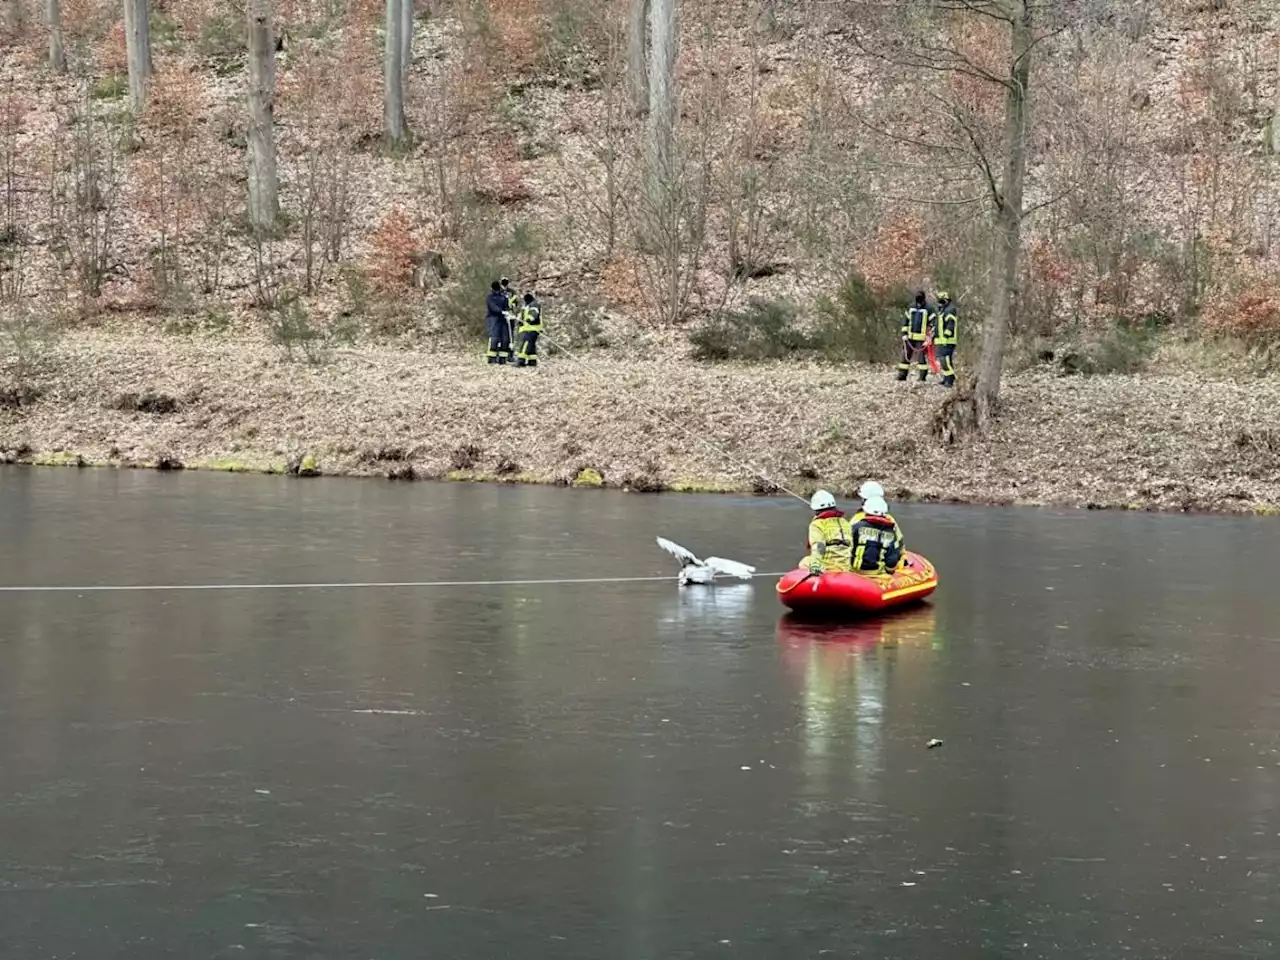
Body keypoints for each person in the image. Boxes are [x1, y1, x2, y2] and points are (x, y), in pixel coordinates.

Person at [851, 495, 904, 575]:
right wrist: (890, 571)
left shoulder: (856, 527)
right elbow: (892, 559)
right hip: (877, 574)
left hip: (854, 571)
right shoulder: (890, 533)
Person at [803, 490, 853, 574]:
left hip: (828, 566)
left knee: (803, 562)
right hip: (845, 566)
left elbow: (818, 546)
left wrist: (815, 565)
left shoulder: (817, 524)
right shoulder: (845, 522)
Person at [897, 290, 931, 382]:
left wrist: (929, 337)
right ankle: (902, 374)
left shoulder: (929, 308)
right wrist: (904, 334)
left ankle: (922, 376)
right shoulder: (911, 307)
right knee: (905, 356)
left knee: (921, 358)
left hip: (922, 338)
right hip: (910, 337)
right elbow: (906, 321)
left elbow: (933, 323)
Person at [931, 291, 958, 388]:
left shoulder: (950, 310)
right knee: (944, 361)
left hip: (947, 341)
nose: (940, 303)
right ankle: (947, 378)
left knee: (945, 360)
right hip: (940, 340)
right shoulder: (941, 311)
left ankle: (950, 380)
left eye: (942, 301)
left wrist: (946, 336)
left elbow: (950, 325)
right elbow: (938, 325)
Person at [485, 280, 512, 364]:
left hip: (503, 319)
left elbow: (507, 306)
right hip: (493, 318)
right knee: (495, 338)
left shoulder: (503, 296)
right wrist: (501, 311)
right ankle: (492, 358)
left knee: (505, 338)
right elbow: (492, 307)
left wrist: (508, 313)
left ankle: (502, 358)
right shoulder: (490, 297)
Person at [514, 292, 543, 368]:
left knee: (525, 344)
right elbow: (521, 314)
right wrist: (519, 321)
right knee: (531, 345)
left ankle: (521, 360)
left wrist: (528, 320)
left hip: (533, 328)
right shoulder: (526, 305)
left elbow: (533, 314)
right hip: (526, 328)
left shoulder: (534, 304)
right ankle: (532, 361)